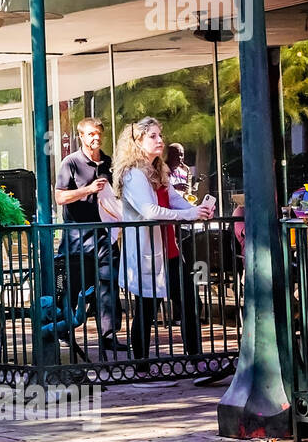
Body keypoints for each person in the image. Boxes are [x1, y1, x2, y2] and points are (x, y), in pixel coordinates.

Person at [112, 117, 215, 376]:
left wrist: (197, 210)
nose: (160, 140)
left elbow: (172, 199)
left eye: (160, 135)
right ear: (137, 142)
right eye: (153, 136)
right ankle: (141, 366)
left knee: (189, 303)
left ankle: (195, 360)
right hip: (147, 252)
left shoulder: (158, 170)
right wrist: (188, 215)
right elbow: (149, 210)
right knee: (147, 308)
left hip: (168, 249)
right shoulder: (134, 174)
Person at [54, 117, 122, 358]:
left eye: (98, 133)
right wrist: (88, 189)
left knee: (108, 282)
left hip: (104, 233)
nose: (96, 137)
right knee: (72, 285)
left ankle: (109, 335)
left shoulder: (109, 163)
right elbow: (60, 197)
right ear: (81, 136)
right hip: (76, 235)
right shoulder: (70, 162)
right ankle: (63, 328)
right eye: (91, 134)